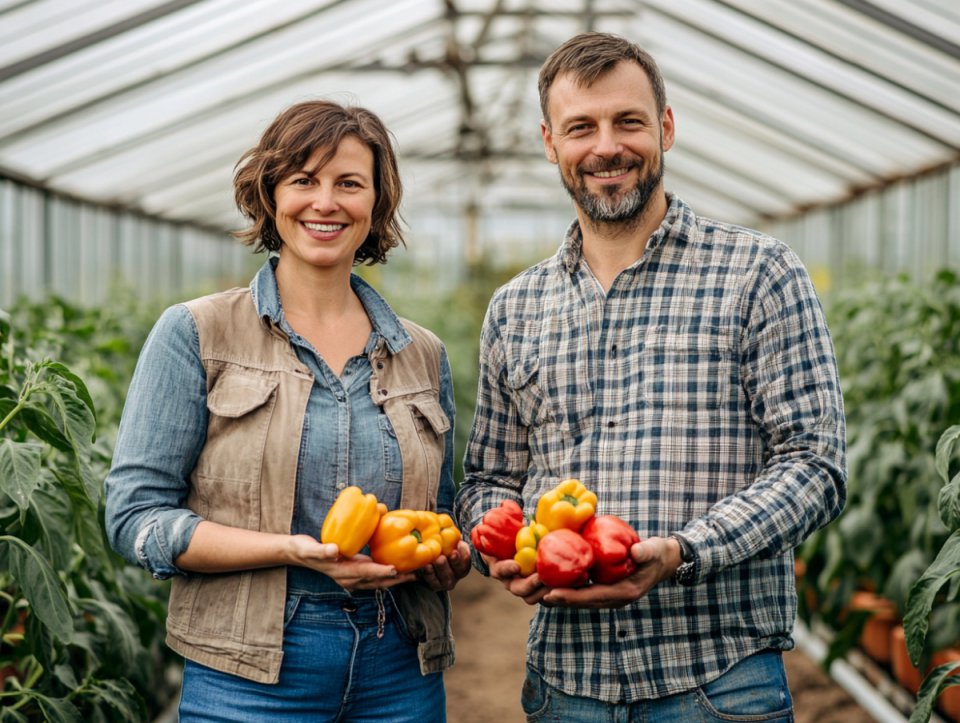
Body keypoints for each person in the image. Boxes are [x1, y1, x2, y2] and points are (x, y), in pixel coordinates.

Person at [455, 31, 846, 722]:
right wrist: (504, 545)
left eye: (628, 121)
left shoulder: (758, 274)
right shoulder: (515, 308)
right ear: (551, 143)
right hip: (564, 684)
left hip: (718, 681)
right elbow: (488, 477)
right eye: (582, 127)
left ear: (664, 127)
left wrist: (683, 552)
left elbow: (814, 464)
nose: (607, 146)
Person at [105, 99, 470, 722]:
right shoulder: (198, 334)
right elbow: (134, 517)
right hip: (248, 672)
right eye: (304, 180)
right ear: (270, 194)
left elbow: (439, 510)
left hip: (399, 667)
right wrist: (289, 549)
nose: (325, 202)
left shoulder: (421, 354)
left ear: (376, 203)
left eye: (349, 183)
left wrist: (447, 557)